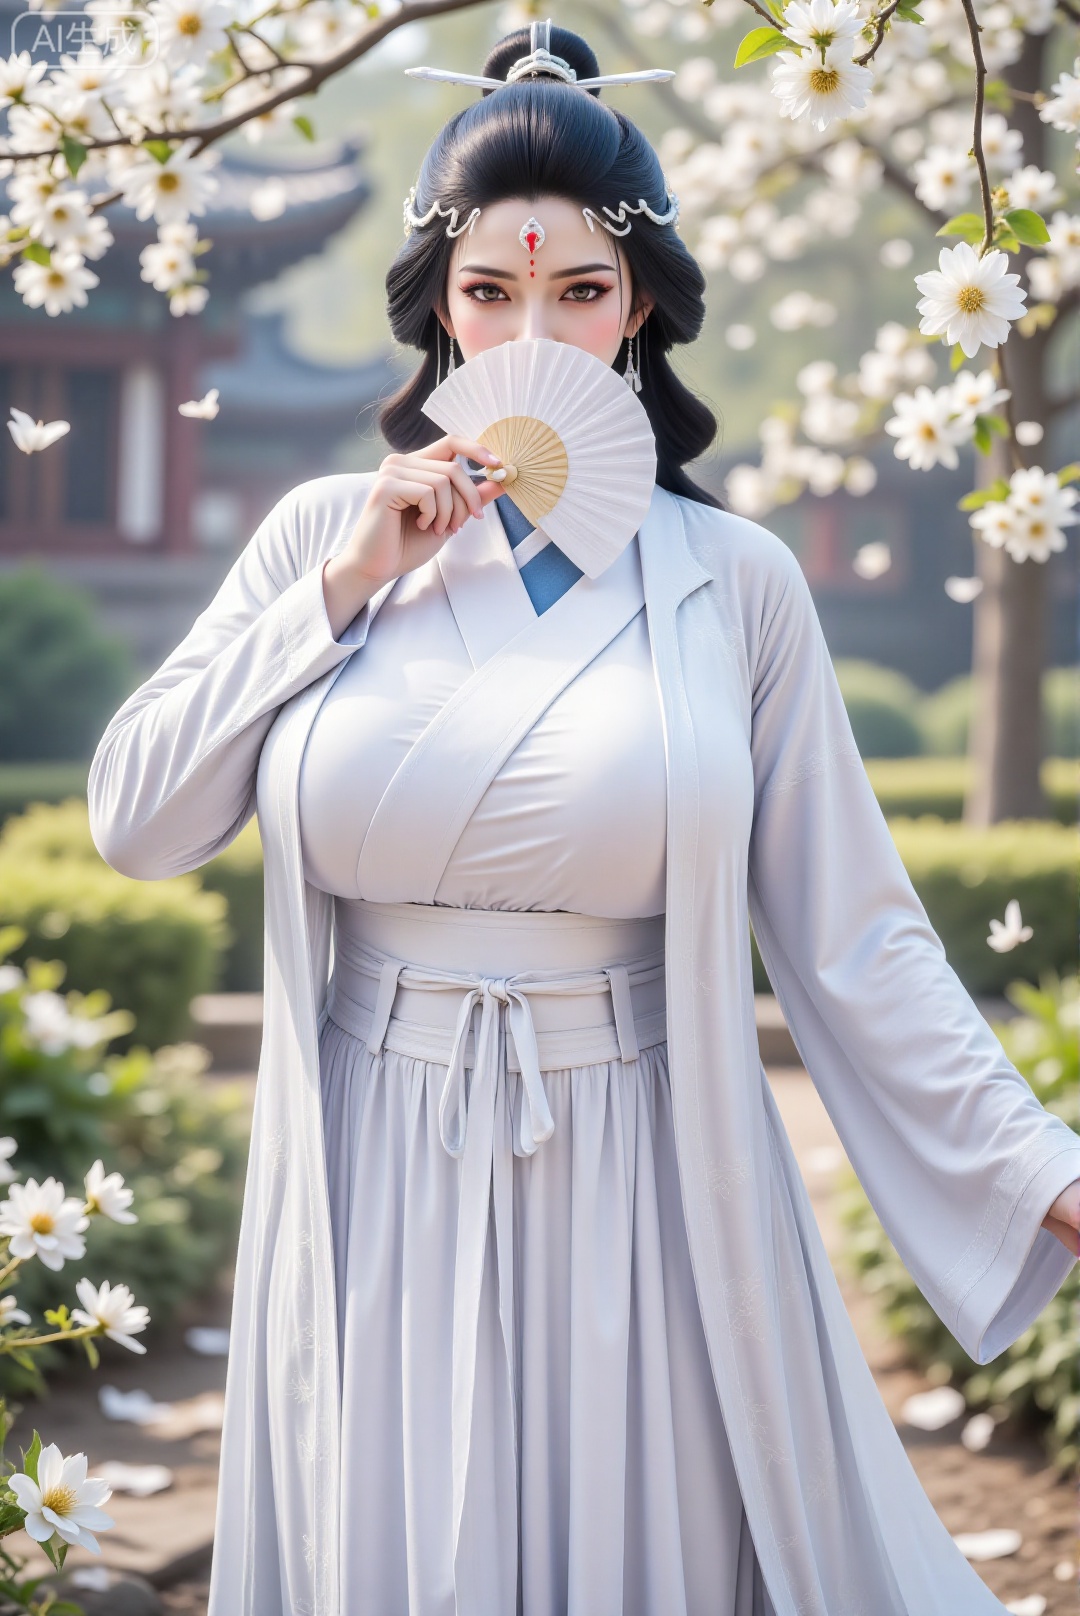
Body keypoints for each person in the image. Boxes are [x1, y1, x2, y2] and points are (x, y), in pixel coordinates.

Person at [88, 21, 1080, 1616]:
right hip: (376, 1142)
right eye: (488, 292)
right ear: (435, 307)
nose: (529, 328)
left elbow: (855, 935)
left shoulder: (733, 583)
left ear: (639, 311)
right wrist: (343, 590)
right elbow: (137, 822)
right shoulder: (314, 544)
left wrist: (1040, 1166)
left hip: (646, 1147)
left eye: (576, 291)